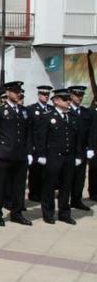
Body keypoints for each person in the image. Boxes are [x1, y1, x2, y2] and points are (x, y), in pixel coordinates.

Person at [32, 88, 81, 225]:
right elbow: (42, 137)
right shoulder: (48, 116)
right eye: (65, 99)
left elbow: (77, 138)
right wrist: (41, 154)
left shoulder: (72, 117)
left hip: (69, 157)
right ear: (56, 101)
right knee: (49, 185)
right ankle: (48, 213)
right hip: (53, 157)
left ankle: (64, 213)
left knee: (66, 186)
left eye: (69, 99)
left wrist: (77, 155)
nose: (68, 102)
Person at [0, 81, 32, 226]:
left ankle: (16, 213)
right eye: (15, 91)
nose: (18, 94)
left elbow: (28, 133)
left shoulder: (24, 111)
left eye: (20, 91)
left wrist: (29, 152)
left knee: (19, 187)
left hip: (20, 155)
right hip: (4, 154)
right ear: (7, 93)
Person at [26, 85, 53, 204]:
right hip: (36, 145)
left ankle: (42, 192)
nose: (45, 96)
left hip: (48, 146)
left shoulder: (51, 109)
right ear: (39, 95)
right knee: (35, 172)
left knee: (46, 172)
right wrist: (30, 146)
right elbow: (29, 129)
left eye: (47, 94)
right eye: (43, 94)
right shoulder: (31, 109)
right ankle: (34, 193)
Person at [68, 86, 93, 211]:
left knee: (80, 177)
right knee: (67, 177)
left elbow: (90, 132)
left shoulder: (86, 112)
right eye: (77, 95)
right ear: (71, 96)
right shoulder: (66, 111)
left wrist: (90, 148)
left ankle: (76, 200)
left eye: (81, 95)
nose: (80, 98)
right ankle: (64, 201)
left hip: (82, 149)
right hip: (69, 149)